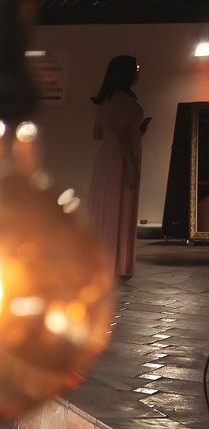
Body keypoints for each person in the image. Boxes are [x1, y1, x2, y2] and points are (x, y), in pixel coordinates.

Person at [87, 55, 147, 279]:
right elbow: (122, 136)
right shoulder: (123, 99)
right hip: (120, 158)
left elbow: (98, 133)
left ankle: (104, 259)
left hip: (107, 157)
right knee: (117, 206)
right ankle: (116, 262)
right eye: (136, 68)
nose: (138, 72)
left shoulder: (105, 99)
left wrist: (135, 133)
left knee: (107, 207)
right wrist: (132, 166)